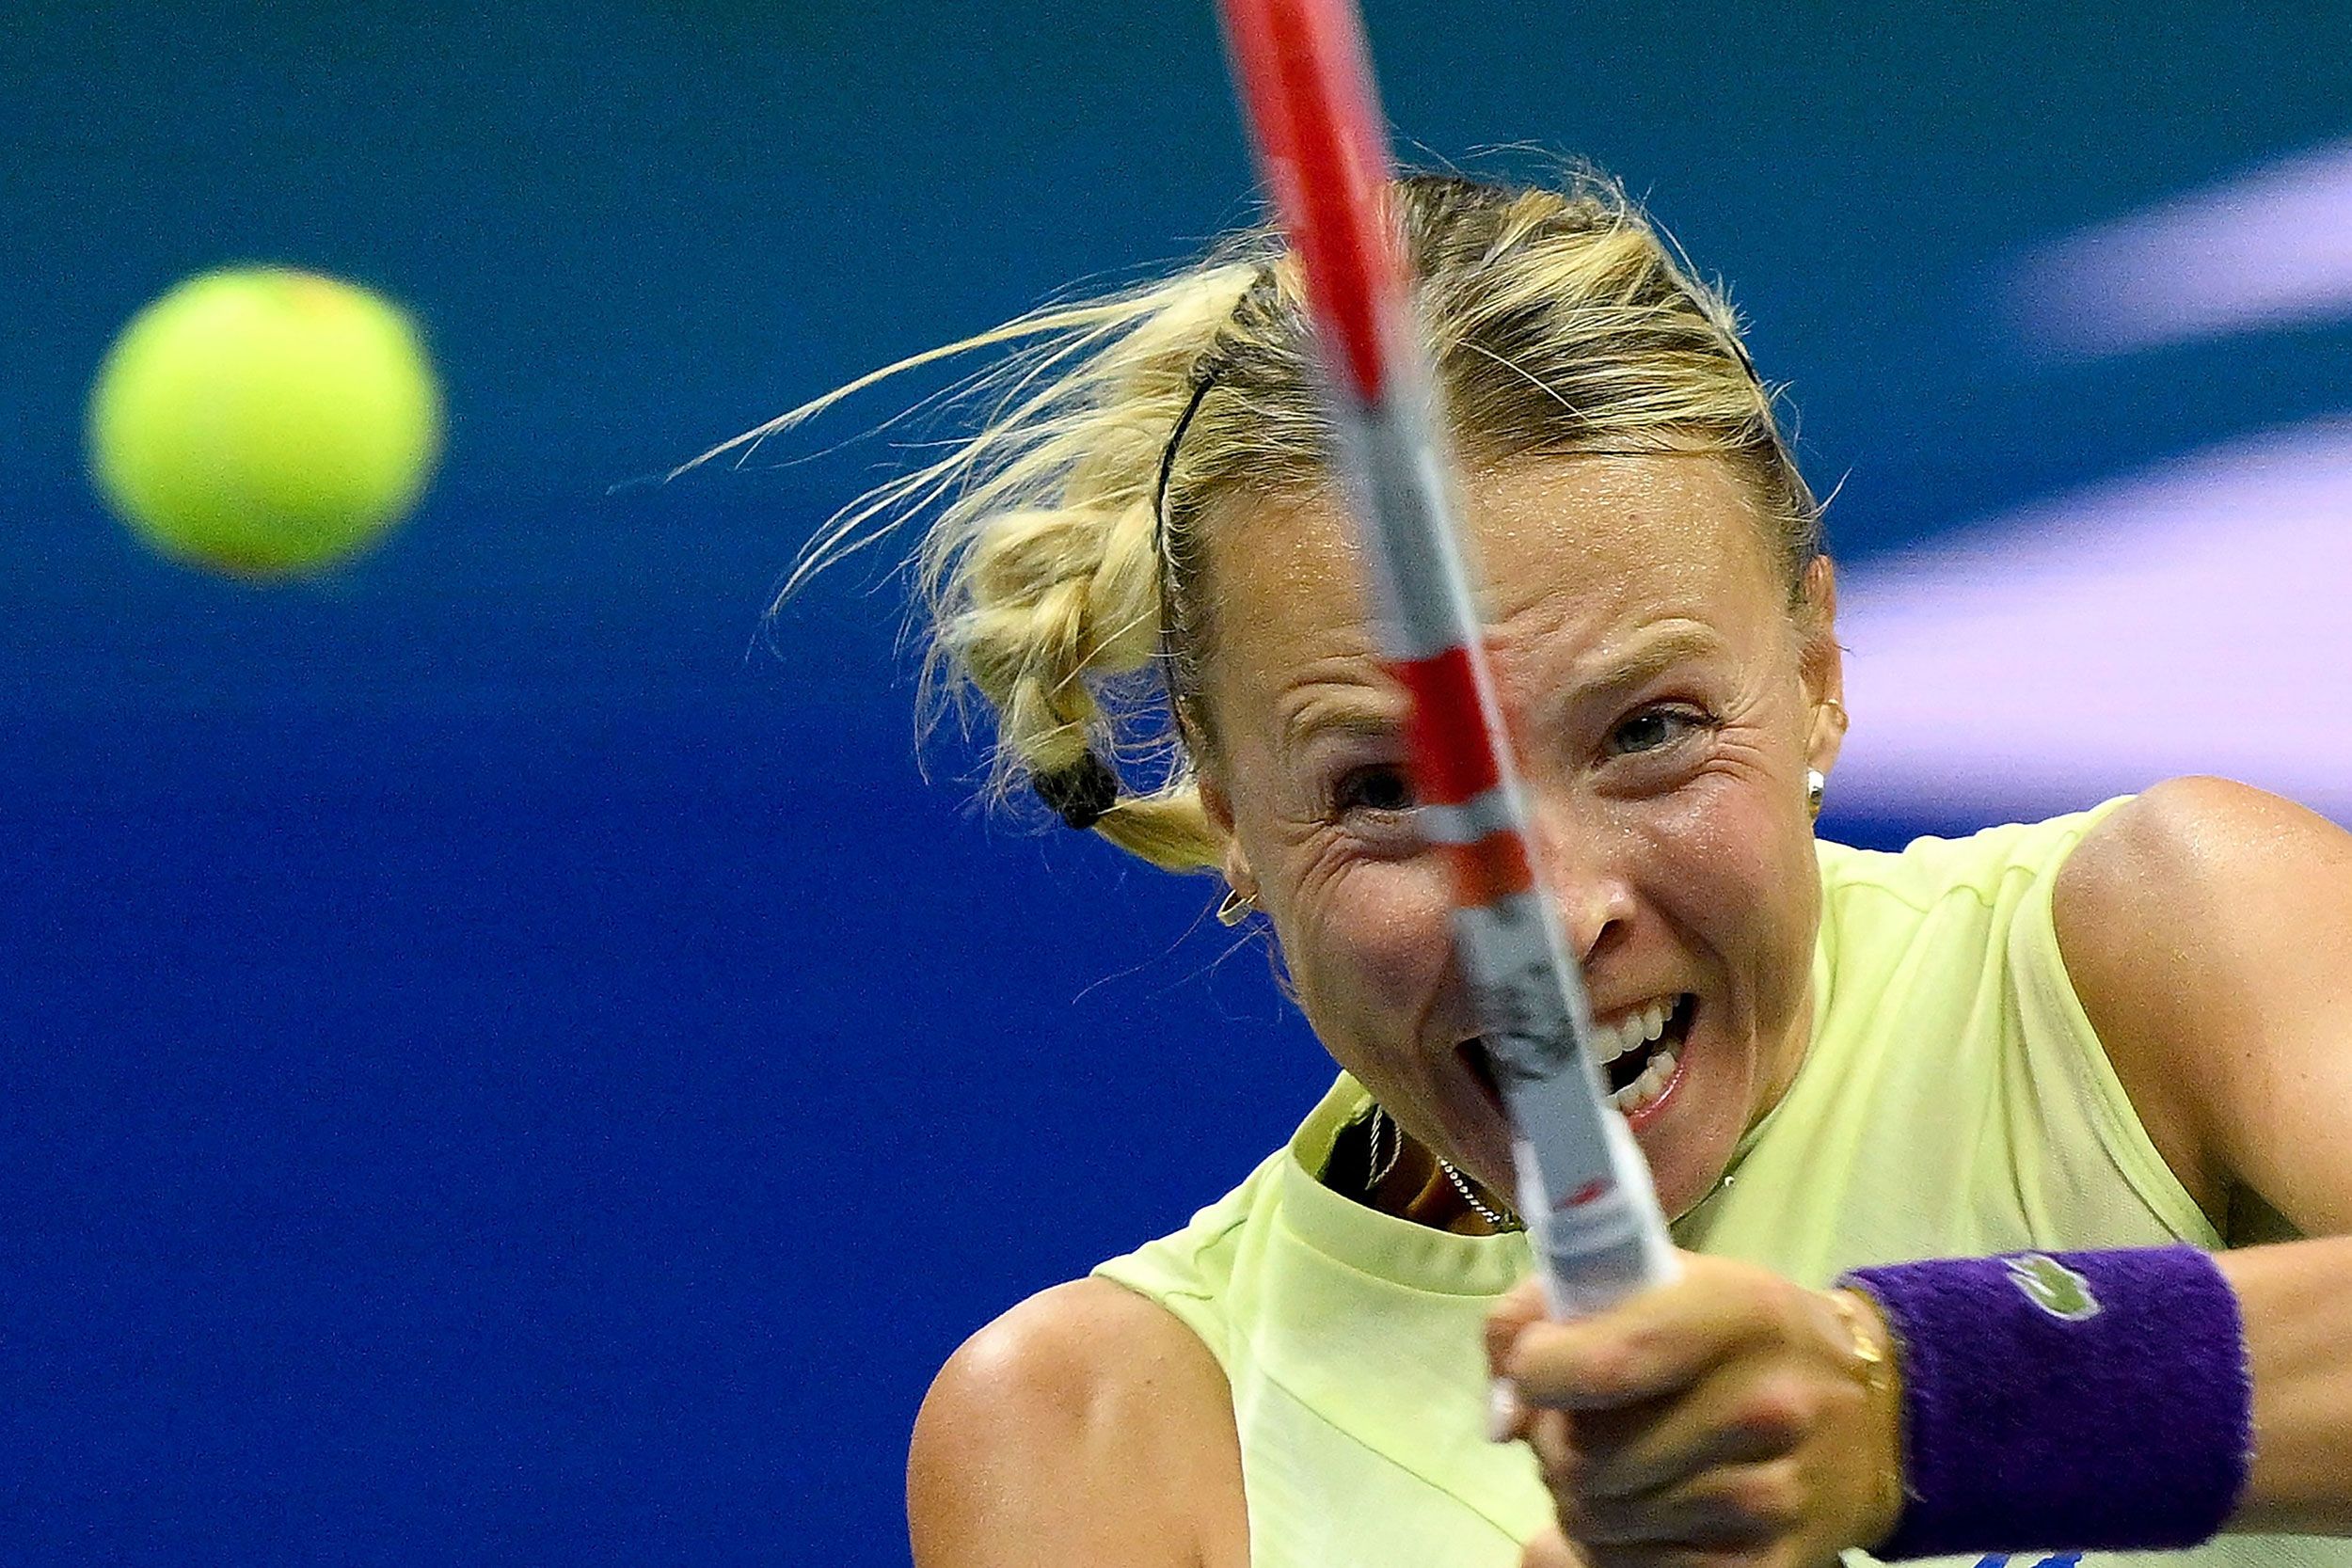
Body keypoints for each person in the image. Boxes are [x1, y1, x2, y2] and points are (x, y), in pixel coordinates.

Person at [774, 171, 2352, 1568]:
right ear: (1230, 808)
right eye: (1385, 790)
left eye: (1650, 732)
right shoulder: (1096, 1434)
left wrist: (1916, 1413)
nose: (1546, 918)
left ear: (1815, 669)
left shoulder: (2161, 945)